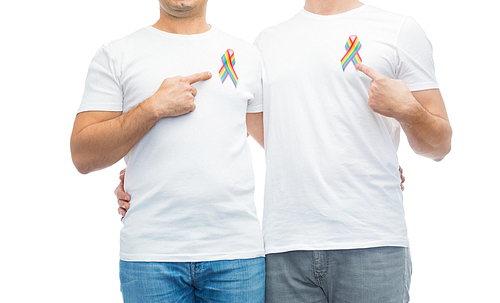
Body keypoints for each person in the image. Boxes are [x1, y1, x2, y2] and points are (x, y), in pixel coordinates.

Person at [116, 0, 452, 302]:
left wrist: (408, 110)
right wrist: (147, 173)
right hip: (283, 248)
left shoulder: (399, 30)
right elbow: (251, 125)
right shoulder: (266, 42)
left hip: (372, 240)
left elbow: (439, 145)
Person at [70, 0, 267, 302]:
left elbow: (279, 142)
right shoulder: (118, 54)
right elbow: (83, 155)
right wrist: (154, 107)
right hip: (150, 257)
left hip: (235, 253)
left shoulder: (248, 55)